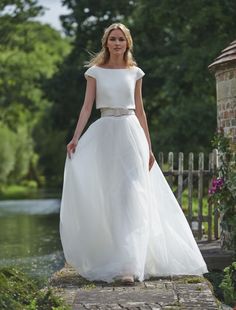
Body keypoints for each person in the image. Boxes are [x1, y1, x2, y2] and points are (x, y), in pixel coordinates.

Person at [59, 23, 209, 285]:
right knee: (111, 195)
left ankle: (130, 265)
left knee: (132, 194)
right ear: (106, 43)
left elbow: (140, 111)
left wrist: (149, 147)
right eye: (112, 39)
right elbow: (86, 108)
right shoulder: (95, 72)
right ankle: (113, 256)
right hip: (105, 133)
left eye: (121, 39)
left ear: (127, 43)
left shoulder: (135, 72)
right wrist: (75, 137)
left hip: (131, 134)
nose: (117, 43)